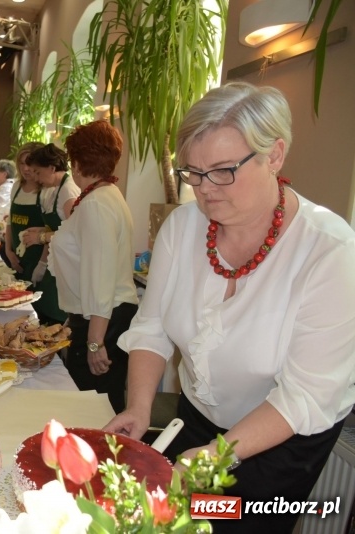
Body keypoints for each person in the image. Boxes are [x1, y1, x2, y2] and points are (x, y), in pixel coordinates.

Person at [105, 82, 355, 533]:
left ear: (275, 155)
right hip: (199, 417)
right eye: (193, 173)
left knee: (234, 524)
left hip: (284, 437)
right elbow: (153, 327)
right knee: (172, 520)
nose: (204, 190)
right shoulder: (182, 227)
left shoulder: (330, 252)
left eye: (222, 170)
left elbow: (304, 397)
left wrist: (219, 455)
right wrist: (140, 408)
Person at [47, 122, 138, 412]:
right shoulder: (104, 195)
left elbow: (100, 277)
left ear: (77, 162)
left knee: (92, 409)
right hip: (100, 316)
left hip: (103, 320)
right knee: (94, 405)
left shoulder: (97, 203)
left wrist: (95, 342)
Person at [21, 143, 80, 325]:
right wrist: (41, 263)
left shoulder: (68, 191)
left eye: (38, 172)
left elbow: (75, 236)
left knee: (57, 321)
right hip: (53, 265)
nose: (37, 178)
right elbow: (60, 227)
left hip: (67, 268)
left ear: (52, 168)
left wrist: (41, 237)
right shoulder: (53, 190)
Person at [4, 142, 44, 280]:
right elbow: (10, 222)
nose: (25, 169)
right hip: (16, 259)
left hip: (38, 261)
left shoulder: (46, 190)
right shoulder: (16, 187)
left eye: (29, 164)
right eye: (21, 163)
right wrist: (8, 250)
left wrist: (41, 265)